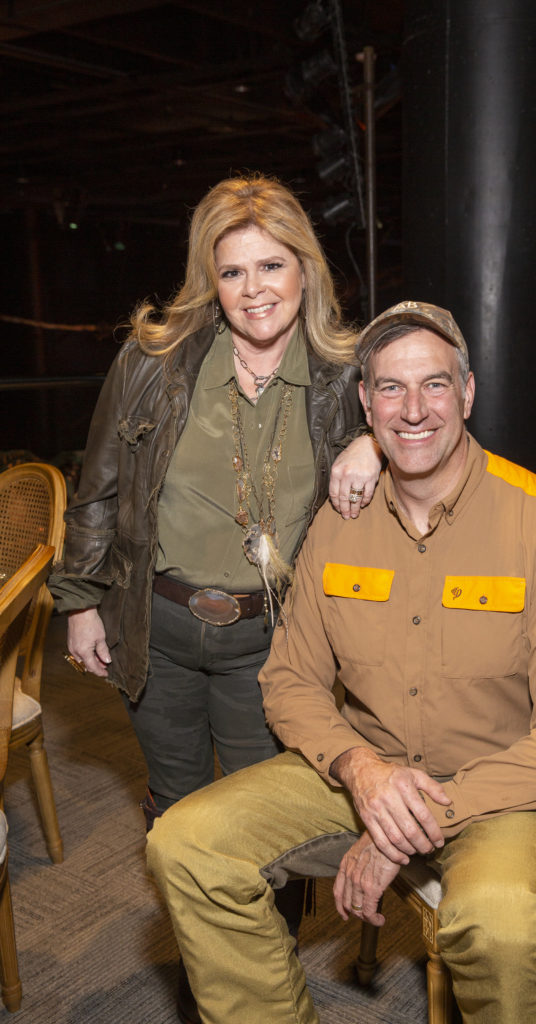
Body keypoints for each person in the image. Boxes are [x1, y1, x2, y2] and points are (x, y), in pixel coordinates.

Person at [147, 300, 536, 1024]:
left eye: (434, 384)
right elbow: (291, 680)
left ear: (467, 393)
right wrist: (362, 771)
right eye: (391, 388)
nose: (413, 409)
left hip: (500, 789)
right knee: (185, 843)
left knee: (505, 930)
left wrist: (404, 823)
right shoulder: (339, 526)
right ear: (366, 405)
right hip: (364, 771)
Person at [48, 175, 381, 1023]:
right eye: (231, 272)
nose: (253, 289)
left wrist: (374, 441)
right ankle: (214, 989)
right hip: (155, 625)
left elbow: (434, 395)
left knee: (265, 825)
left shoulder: (347, 375)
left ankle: (262, 990)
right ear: (209, 278)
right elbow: (97, 486)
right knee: (178, 814)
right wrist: (80, 601)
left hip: (273, 642)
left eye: (272, 266)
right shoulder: (153, 362)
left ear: (306, 270)